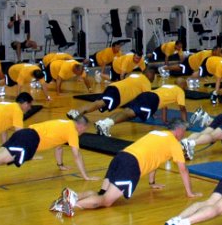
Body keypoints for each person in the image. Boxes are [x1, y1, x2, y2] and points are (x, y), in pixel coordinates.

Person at [52, 120, 201, 217]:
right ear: (179, 131)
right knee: (107, 200)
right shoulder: (174, 143)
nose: (184, 135)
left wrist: (152, 182)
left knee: (101, 192)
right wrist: (189, 192)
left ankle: (72, 196)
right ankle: (71, 205)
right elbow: (183, 170)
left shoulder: (156, 133)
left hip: (121, 157)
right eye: (184, 132)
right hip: (131, 165)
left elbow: (155, 159)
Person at [0, 117, 96, 192]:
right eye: (84, 129)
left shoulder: (64, 124)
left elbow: (58, 147)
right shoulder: (72, 131)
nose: (83, 132)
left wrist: (60, 165)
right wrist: (85, 176)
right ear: (80, 125)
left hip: (25, 135)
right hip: (29, 139)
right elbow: (77, 155)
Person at [95, 83, 188, 135]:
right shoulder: (180, 91)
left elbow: (164, 106)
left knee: (127, 112)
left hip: (145, 95)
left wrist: (164, 120)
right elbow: (182, 109)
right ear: (183, 86)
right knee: (130, 114)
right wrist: (185, 124)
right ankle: (106, 124)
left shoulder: (166, 87)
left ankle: (104, 123)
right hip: (152, 100)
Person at [68, 69, 156, 118]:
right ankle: (76, 112)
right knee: (100, 103)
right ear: (149, 75)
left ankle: (77, 113)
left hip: (113, 87)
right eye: (153, 75)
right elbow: (147, 99)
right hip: (117, 92)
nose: (154, 78)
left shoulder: (135, 75)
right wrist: (152, 114)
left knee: (100, 104)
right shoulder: (146, 82)